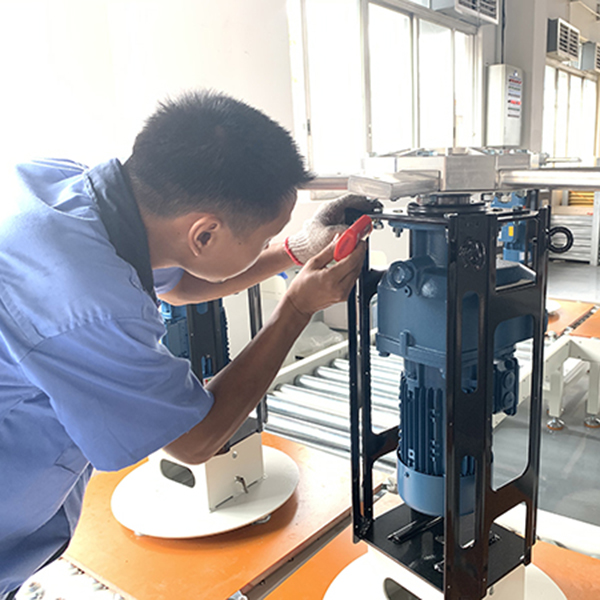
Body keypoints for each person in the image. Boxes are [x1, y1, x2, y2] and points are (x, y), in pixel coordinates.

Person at [0, 91, 372, 598]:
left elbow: (177, 281)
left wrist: (296, 249)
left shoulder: (63, 188)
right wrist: (296, 308)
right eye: (264, 235)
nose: (266, 243)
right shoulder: (89, 307)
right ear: (204, 234)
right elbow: (194, 441)